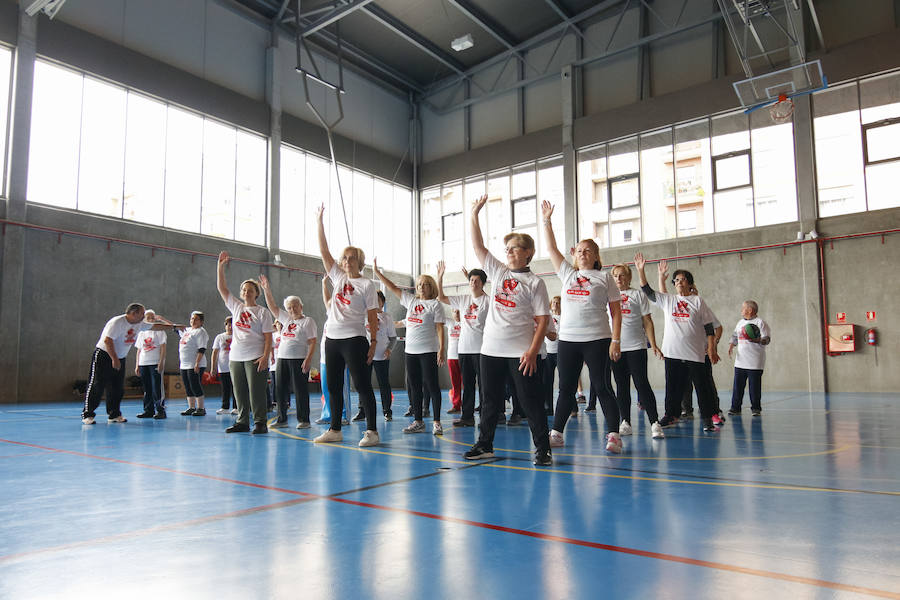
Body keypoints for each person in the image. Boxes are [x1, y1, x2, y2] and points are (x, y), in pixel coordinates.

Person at [463, 195, 552, 466]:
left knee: (530, 402)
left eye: (516, 248)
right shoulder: (499, 273)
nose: (510, 252)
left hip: (520, 353)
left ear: (528, 253)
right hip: (490, 350)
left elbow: (543, 320)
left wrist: (533, 352)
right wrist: (474, 215)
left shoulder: (535, 284)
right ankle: (485, 444)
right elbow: (478, 246)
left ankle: (543, 448)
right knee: (489, 401)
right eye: (508, 249)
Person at [540, 201, 624, 453]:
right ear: (574, 255)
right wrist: (547, 220)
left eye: (588, 250)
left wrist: (616, 341)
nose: (583, 253)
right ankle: (556, 433)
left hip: (597, 339)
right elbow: (552, 248)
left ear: (596, 256)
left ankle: (613, 436)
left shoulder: (605, 277)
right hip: (568, 340)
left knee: (602, 387)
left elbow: (616, 312)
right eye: (579, 250)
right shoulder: (567, 273)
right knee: (565, 388)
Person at [313, 204, 381, 447]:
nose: (348, 260)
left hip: (354, 339)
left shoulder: (367, 285)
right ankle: (335, 429)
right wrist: (320, 222)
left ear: (360, 262)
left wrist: (373, 342)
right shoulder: (338, 277)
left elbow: (372, 317)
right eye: (345, 257)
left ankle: (372, 431)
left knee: (362, 385)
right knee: (333, 386)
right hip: (332, 340)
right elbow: (323, 250)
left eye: (353, 258)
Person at [634, 252, 720, 431]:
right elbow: (647, 291)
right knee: (672, 387)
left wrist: (711, 348)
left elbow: (709, 328)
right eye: (676, 280)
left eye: (682, 279)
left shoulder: (697, 301)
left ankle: (707, 419)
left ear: (689, 283)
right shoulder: (669, 300)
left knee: (702, 388)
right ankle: (671, 415)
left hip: (695, 354)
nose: (679, 282)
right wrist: (641, 270)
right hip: (672, 352)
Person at [374, 262, 446, 435]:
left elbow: (439, 328)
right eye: (419, 284)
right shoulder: (411, 301)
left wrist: (441, 349)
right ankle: (418, 421)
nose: (421, 287)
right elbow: (392, 287)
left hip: (428, 350)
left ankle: (436, 421)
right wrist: (377, 272)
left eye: (425, 284)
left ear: (431, 287)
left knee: (432, 386)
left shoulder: (435, 305)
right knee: (414, 387)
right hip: (411, 352)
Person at [81, 304, 172, 425]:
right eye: (142, 313)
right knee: (97, 384)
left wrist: (174, 326)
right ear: (133, 313)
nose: (144, 316)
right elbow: (108, 341)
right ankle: (88, 414)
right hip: (104, 355)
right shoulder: (117, 322)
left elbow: (155, 326)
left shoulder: (139, 324)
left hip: (120, 357)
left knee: (117, 387)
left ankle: (114, 414)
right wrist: (114, 358)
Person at [216, 251, 274, 435]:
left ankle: (260, 422)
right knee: (239, 391)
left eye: (250, 289)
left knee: (256, 392)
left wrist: (265, 356)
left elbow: (268, 337)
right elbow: (222, 289)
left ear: (256, 293)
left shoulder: (262, 312)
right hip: (236, 356)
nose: (246, 292)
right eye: (243, 289)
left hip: (255, 356)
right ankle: (242, 421)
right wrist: (220, 267)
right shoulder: (236, 307)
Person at [609, 264, 665, 439]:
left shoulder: (637, 295)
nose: (619, 278)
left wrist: (653, 344)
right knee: (621, 386)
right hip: (616, 348)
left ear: (629, 277)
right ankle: (625, 421)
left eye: (622, 275)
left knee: (642, 384)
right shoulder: (608, 297)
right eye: (616, 276)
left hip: (636, 347)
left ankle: (655, 422)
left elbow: (647, 321)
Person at [259, 275, 318, 430]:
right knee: (279, 389)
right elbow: (272, 307)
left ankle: (304, 419)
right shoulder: (286, 320)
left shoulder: (308, 321)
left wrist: (308, 359)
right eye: (289, 307)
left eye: (295, 306)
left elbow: (312, 342)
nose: (292, 309)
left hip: (299, 359)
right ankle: (282, 418)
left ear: (301, 306)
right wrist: (266, 289)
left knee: (300, 390)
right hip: (282, 359)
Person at [436, 262, 490, 428]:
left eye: (477, 280)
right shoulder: (463, 299)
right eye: (471, 280)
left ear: (482, 283)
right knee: (467, 385)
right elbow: (441, 297)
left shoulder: (488, 301)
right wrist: (439, 278)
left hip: (482, 350)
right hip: (464, 349)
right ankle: (467, 417)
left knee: (484, 386)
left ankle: (486, 418)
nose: (473, 283)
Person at [356, 291, 397, 422]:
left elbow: (393, 338)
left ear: (382, 302)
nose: (375, 303)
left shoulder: (387, 317)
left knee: (384, 383)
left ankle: (387, 411)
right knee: (363, 383)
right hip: (365, 355)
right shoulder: (363, 316)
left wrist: (389, 350)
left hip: (381, 355)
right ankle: (362, 411)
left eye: (378, 300)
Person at [316, 278, 351, 426]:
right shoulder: (329, 317)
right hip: (325, 358)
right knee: (326, 388)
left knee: (341, 388)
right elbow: (327, 300)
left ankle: (343, 415)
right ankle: (328, 414)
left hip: (340, 358)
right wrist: (324, 284)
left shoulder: (344, 316)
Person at [728, 300, 771, 416]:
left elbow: (767, 339)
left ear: (750, 310)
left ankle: (756, 408)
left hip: (755, 361)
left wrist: (758, 340)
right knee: (738, 386)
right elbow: (735, 336)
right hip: (740, 361)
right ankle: (735, 408)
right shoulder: (740, 323)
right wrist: (731, 345)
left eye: (743, 308)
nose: (741, 310)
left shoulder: (760, 323)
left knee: (754, 387)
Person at [134, 309, 168, 420]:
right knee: (147, 388)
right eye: (148, 318)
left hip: (155, 362)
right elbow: (139, 350)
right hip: (144, 363)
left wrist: (161, 362)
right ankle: (148, 410)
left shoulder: (159, 331)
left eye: (152, 317)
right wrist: (137, 365)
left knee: (156, 387)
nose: (150, 320)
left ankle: (160, 410)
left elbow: (163, 348)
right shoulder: (141, 332)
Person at [175, 311, 209, 417]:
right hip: (184, 364)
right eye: (192, 318)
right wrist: (162, 319)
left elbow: (202, 349)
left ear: (201, 321)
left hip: (194, 363)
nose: (193, 321)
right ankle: (191, 407)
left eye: (196, 319)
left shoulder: (201, 332)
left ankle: (201, 408)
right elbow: (175, 328)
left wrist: (197, 363)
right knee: (187, 386)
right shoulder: (188, 331)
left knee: (195, 385)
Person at [211, 317, 235, 415]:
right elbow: (215, 352)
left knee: (235, 388)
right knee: (225, 388)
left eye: (232, 325)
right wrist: (213, 367)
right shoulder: (220, 337)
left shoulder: (237, 336)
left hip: (234, 367)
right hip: (223, 367)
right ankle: (225, 407)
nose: (230, 327)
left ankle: (236, 407)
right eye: (228, 325)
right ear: (225, 326)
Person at [542, 296, 561, 416]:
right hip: (548, 353)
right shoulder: (548, 316)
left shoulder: (564, 317)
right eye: (554, 302)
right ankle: (548, 407)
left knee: (565, 381)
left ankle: (572, 407)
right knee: (547, 382)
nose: (555, 304)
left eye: (558, 303)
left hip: (560, 352)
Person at [446, 311, 462, 414]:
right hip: (452, 356)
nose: (456, 314)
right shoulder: (449, 322)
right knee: (455, 383)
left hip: (465, 355)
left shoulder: (466, 322)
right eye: (454, 312)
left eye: (458, 312)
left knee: (468, 383)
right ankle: (456, 405)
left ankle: (469, 406)